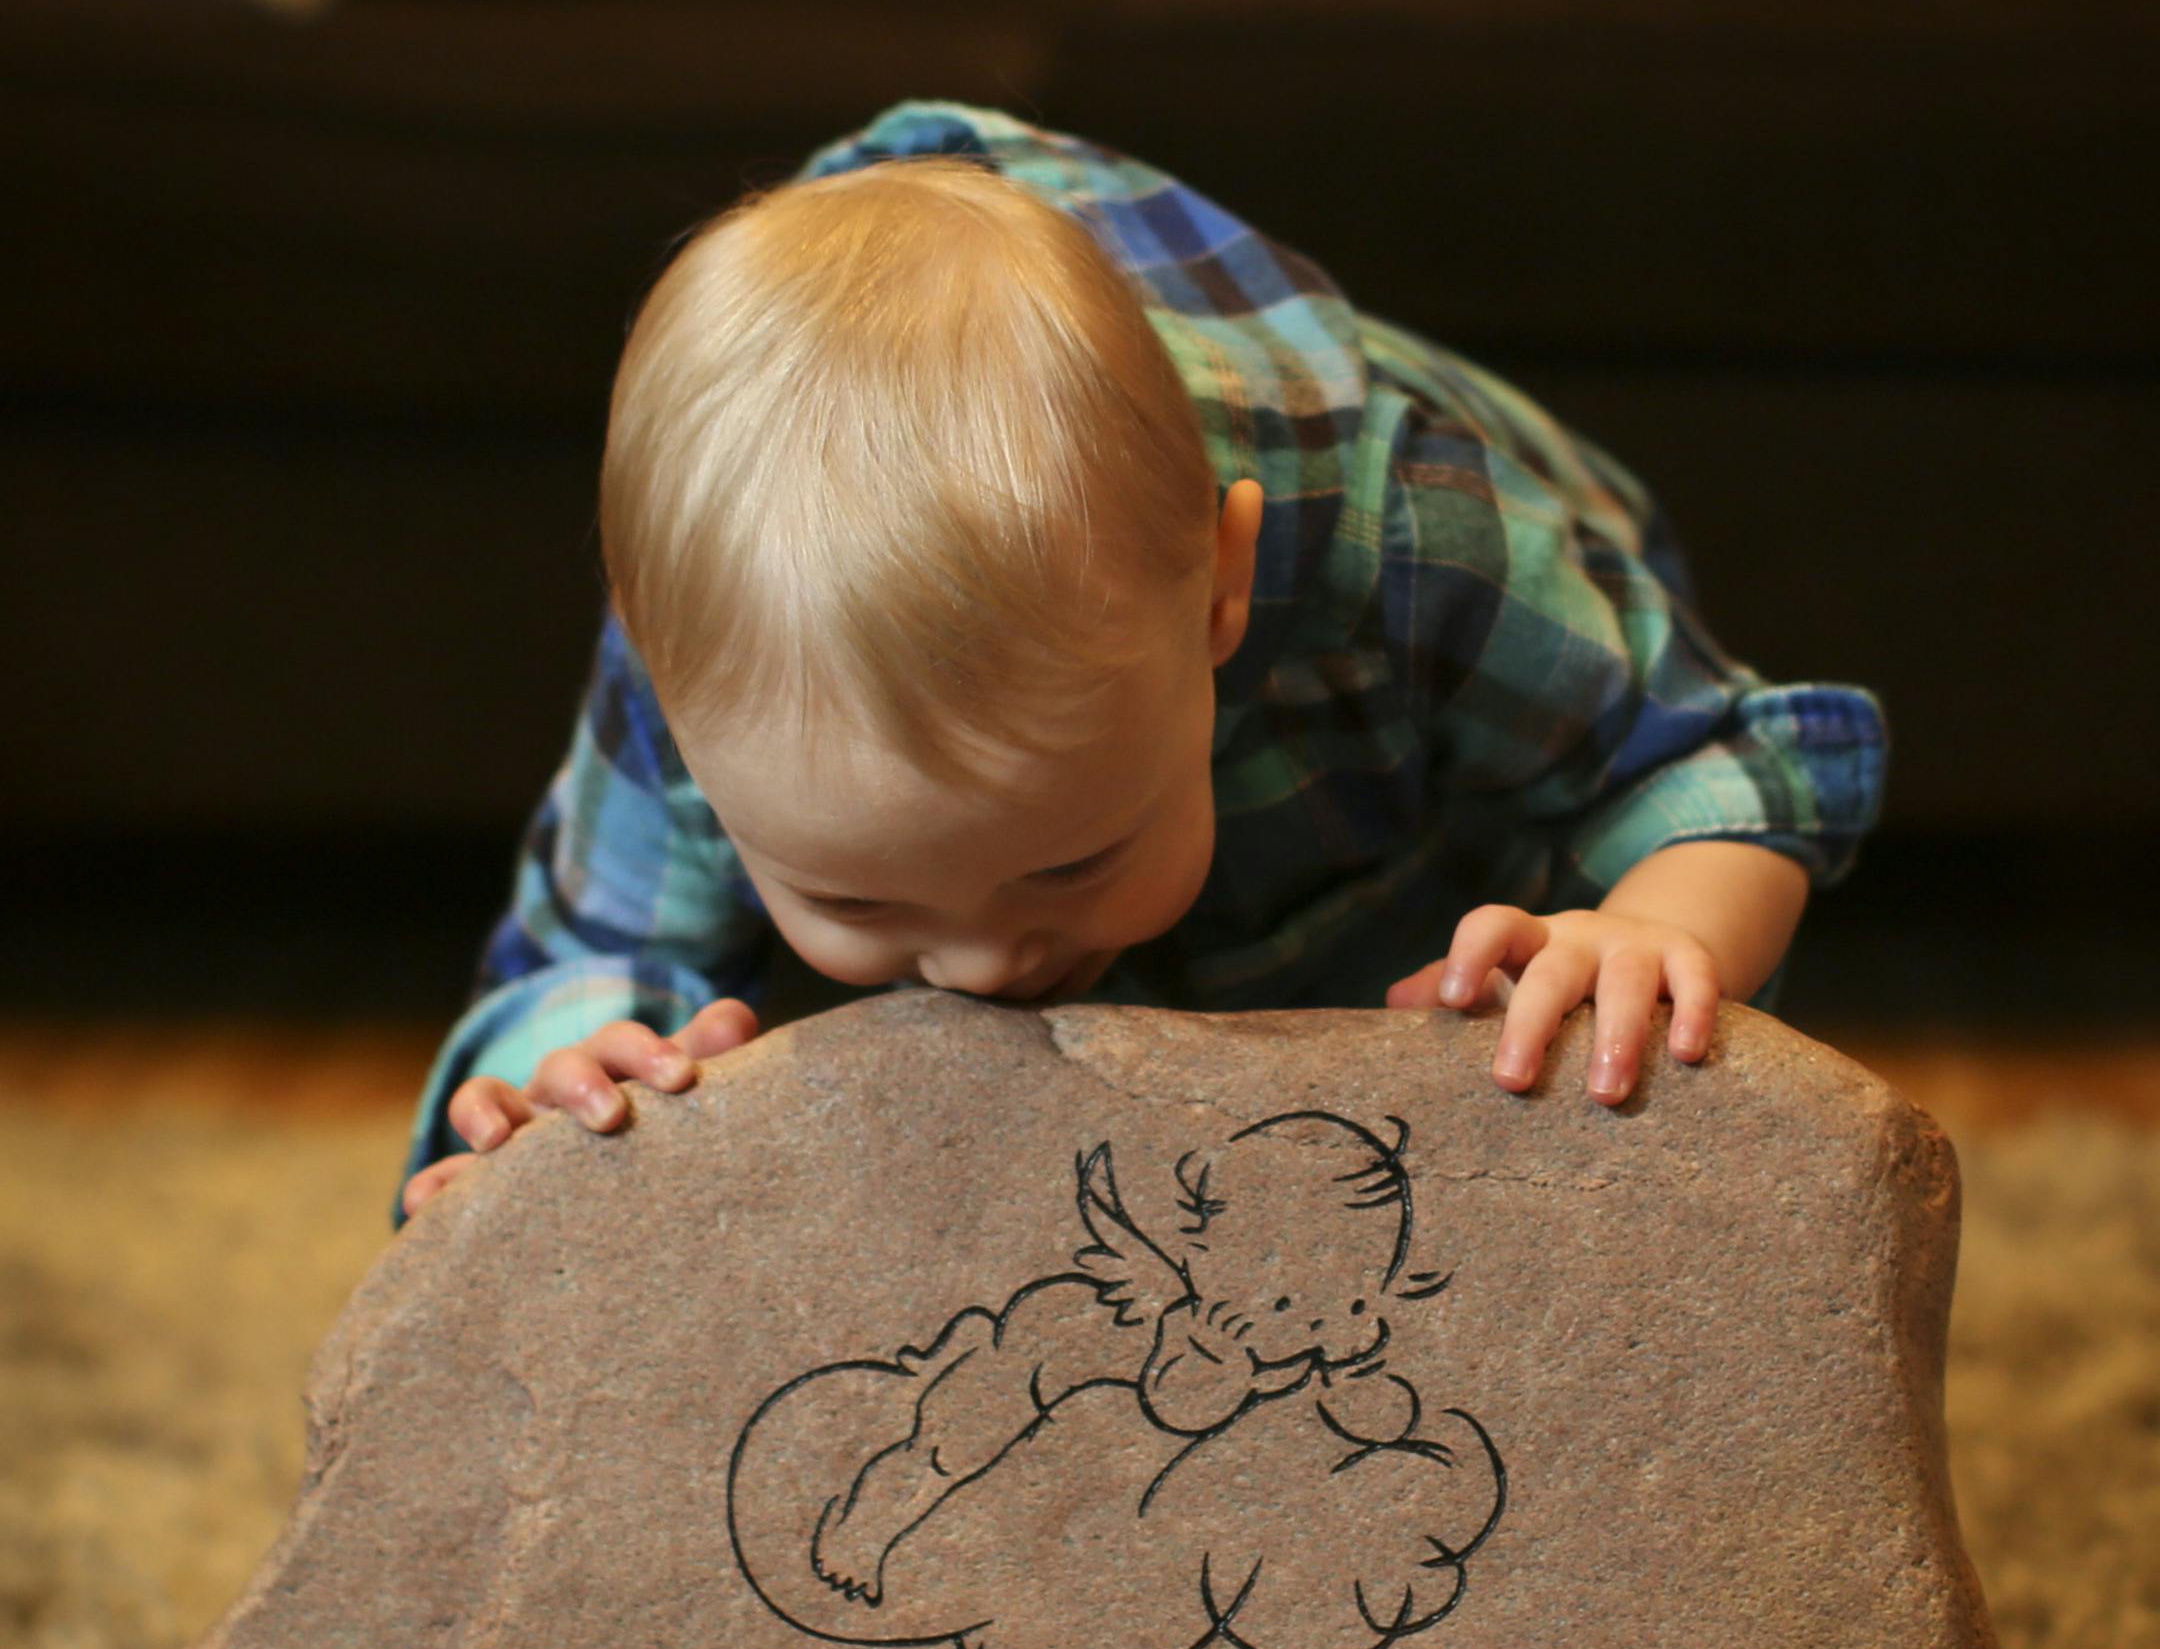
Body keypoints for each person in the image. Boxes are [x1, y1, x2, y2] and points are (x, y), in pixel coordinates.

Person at [395, 99, 1886, 1227]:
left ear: (1219, 586)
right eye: (853, 893)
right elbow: (591, 949)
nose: (986, 969)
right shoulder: (716, 650)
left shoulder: (1408, 527)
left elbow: (1708, 763)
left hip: (1424, 842)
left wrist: (1641, 931)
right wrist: (567, 1074)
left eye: (1066, 861)